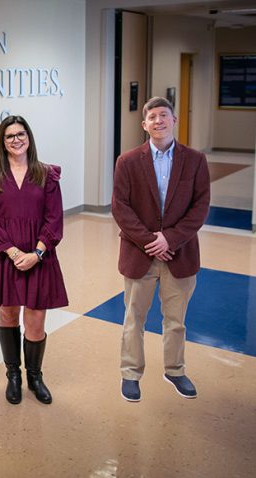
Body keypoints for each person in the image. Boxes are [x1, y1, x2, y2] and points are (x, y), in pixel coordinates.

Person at [112, 96, 210, 402]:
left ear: (174, 120)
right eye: (152, 117)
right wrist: (151, 242)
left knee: (176, 320)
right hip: (139, 254)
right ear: (145, 125)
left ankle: (175, 370)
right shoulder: (127, 161)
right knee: (134, 318)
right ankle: (130, 374)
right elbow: (121, 207)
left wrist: (170, 239)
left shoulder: (195, 160)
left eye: (163, 115)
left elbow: (200, 207)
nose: (158, 121)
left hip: (180, 254)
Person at [0, 115, 68, 405]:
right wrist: (13, 252)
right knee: (8, 314)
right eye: (9, 135)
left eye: (20, 134)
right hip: (3, 257)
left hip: (39, 256)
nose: (16, 139)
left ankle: (35, 376)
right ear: (2, 142)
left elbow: (54, 219)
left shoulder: (47, 174)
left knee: (35, 320)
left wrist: (36, 253)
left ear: (29, 137)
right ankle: (14, 375)